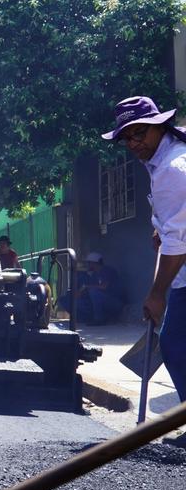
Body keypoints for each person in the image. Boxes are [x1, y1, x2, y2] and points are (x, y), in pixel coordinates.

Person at [101, 95, 186, 398]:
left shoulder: (171, 169)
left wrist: (156, 294)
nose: (134, 142)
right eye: (126, 137)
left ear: (159, 126)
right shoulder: (164, 159)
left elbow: (179, 244)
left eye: (139, 132)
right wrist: (159, 226)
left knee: (175, 345)